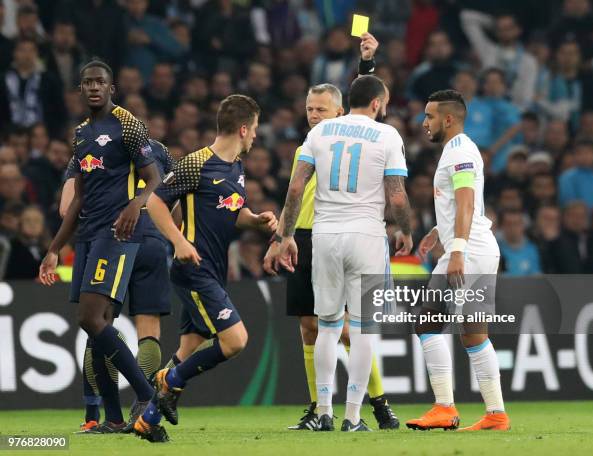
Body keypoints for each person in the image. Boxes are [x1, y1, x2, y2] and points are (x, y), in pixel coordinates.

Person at [264, 33, 400, 431]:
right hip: (304, 238)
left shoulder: (340, 135)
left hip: (330, 234)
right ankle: (318, 408)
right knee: (311, 326)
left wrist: (368, 65)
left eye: (322, 109)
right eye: (309, 108)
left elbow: (365, 104)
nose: (314, 115)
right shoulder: (309, 143)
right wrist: (281, 238)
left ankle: (376, 401)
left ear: (339, 112)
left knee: (343, 328)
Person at [134, 94, 277, 442]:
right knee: (235, 341)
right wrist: (179, 243)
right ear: (243, 129)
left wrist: (254, 220)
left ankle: (147, 420)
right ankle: (171, 381)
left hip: (213, 271)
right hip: (194, 269)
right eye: (255, 129)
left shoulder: (236, 168)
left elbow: (230, 210)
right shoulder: (196, 163)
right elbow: (154, 201)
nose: (256, 136)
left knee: (185, 353)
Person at [38, 59, 161, 433]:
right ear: (80, 90)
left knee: (90, 318)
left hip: (118, 234)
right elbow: (78, 199)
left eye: (100, 82)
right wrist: (55, 247)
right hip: (89, 234)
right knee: (96, 326)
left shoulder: (129, 124)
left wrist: (135, 204)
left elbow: (154, 177)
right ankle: (113, 417)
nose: (93, 87)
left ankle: (148, 395)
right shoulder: (80, 134)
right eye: (87, 82)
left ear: (111, 89)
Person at [407, 89, 510, 431]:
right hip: (474, 248)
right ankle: (495, 414)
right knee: (473, 334)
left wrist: (457, 251)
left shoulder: (460, 151)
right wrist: (439, 231)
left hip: (471, 251)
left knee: (426, 322)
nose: (424, 123)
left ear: (448, 119)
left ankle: (444, 407)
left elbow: (466, 203)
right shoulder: (457, 151)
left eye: (429, 116)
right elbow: (463, 203)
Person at [59, 138, 175, 433]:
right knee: (149, 328)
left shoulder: (88, 147)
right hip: (155, 239)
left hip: (115, 237)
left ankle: (104, 415)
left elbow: (66, 208)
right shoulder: (160, 150)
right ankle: (145, 410)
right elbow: (171, 199)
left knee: (98, 324)